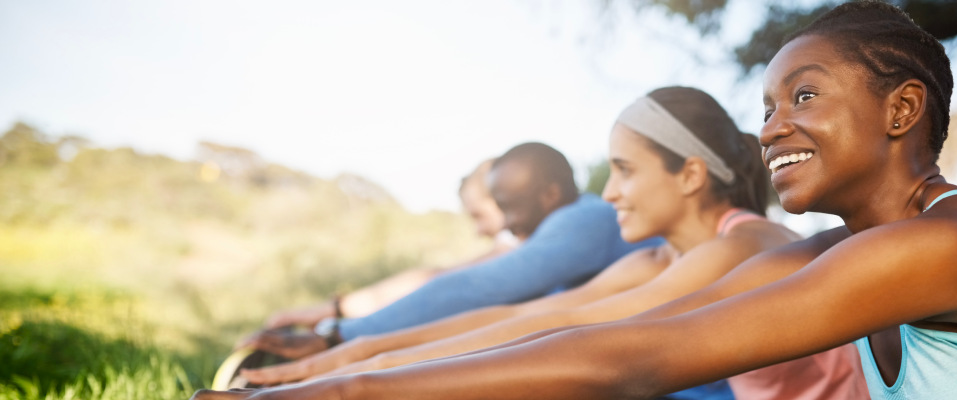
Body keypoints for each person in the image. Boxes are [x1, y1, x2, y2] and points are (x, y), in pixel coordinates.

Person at [191, 2, 957, 399]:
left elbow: (633, 359)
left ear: (902, 108)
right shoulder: (844, 250)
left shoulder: (951, 244)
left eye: (803, 97)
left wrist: (337, 382)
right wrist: (329, 372)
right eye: (765, 107)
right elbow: (562, 322)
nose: (771, 129)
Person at [238, 87, 867, 399]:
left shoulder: (744, 244)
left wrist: (347, 382)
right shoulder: (658, 257)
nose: (609, 190)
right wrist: (343, 362)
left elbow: (590, 338)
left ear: (691, 174)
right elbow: (530, 315)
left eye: (625, 169)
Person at [236, 141, 662, 362]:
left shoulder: (581, 223)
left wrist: (340, 335)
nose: (506, 222)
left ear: (550, 195)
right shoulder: (566, 227)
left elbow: (475, 289)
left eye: (509, 207)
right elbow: (452, 280)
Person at [252, 159, 519, 335]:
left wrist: (336, 311)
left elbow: (439, 278)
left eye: (478, 216)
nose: (478, 231)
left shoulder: (519, 249)